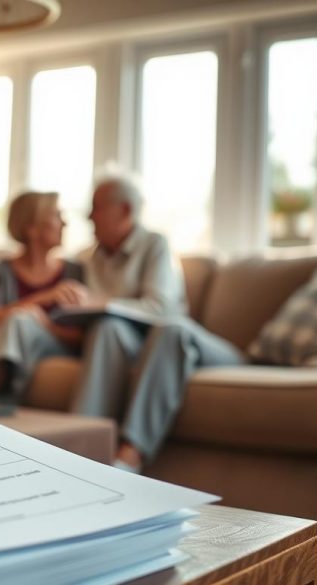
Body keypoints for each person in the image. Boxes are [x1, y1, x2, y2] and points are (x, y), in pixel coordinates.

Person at [73, 174, 244, 473]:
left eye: (96, 207)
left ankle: (130, 457)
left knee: (170, 328)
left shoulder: (155, 245)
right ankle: (79, 453)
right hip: (138, 350)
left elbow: (162, 309)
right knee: (106, 328)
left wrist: (102, 304)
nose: (89, 216)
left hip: (184, 345)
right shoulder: (87, 258)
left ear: (124, 211)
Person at [0, 191, 88, 404]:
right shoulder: (0, 270)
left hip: (53, 345)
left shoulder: (76, 272)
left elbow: (82, 337)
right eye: (57, 216)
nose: (64, 223)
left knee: (20, 320)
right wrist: (41, 299)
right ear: (32, 228)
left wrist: (43, 324)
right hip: (4, 342)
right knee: (18, 319)